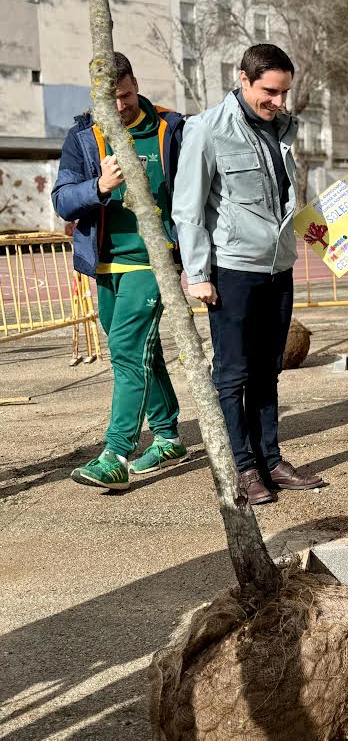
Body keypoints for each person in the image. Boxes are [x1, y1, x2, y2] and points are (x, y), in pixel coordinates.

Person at [174, 43, 324, 505]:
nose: (278, 102)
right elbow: (188, 209)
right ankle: (241, 467)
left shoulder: (282, 130)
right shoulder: (206, 130)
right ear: (243, 79)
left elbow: (287, 204)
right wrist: (198, 273)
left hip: (278, 268)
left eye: (284, 93)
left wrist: (331, 236)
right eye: (269, 92)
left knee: (268, 370)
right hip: (233, 270)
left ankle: (271, 460)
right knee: (234, 374)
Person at [52, 52, 188, 490]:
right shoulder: (83, 135)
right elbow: (62, 199)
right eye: (112, 100)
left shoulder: (172, 129)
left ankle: (116, 453)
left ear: (134, 83)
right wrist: (98, 187)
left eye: (127, 95)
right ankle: (167, 436)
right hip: (105, 263)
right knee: (143, 351)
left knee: (127, 351)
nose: (123, 106)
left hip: (153, 260)